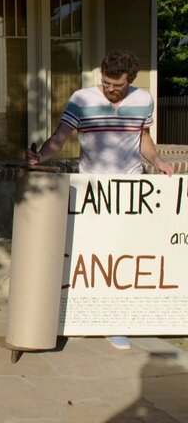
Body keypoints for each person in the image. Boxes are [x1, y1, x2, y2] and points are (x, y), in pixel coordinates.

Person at [26, 49, 174, 350]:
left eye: (116, 86)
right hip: (91, 188)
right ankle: (78, 316)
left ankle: (115, 322)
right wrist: (40, 155)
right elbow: (60, 136)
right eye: (105, 83)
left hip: (130, 187)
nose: (109, 90)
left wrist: (157, 160)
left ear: (129, 80)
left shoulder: (144, 100)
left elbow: (142, 137)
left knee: (121, 255)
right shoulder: (82, 99)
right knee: (86, 254)